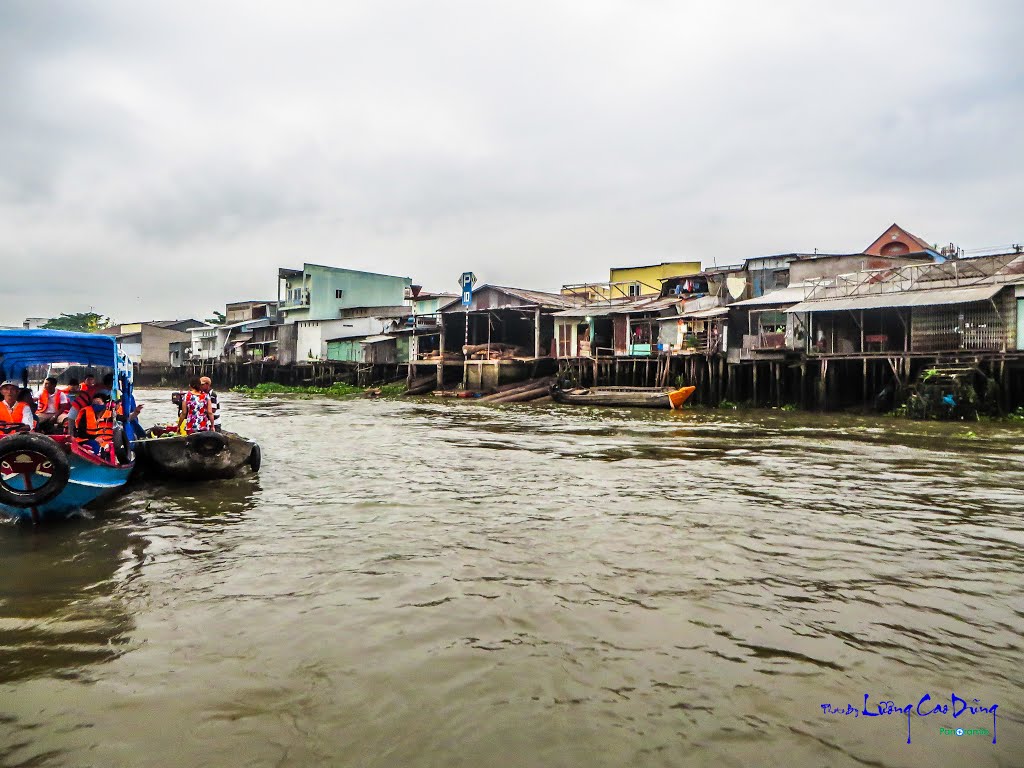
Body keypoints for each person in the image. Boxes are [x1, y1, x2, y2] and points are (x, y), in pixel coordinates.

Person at [74, 392, 115, 458]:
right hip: (87, 440)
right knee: (94, 447)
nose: (96, 405)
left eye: (98, 403)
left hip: (107, 442)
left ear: (105, 404)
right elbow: (80, 432)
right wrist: (94, 438)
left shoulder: (111, 415)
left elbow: (123, 419)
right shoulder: (86, 413)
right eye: (94, 403)